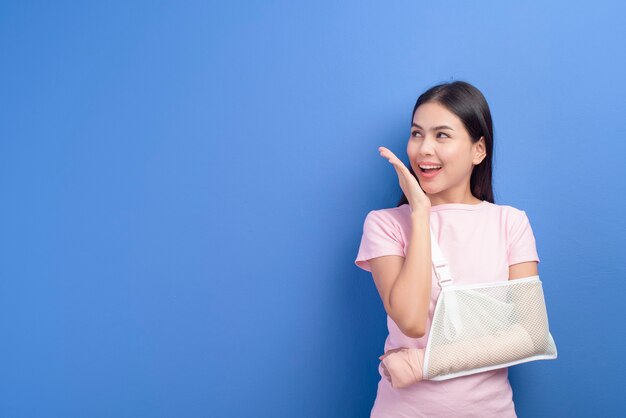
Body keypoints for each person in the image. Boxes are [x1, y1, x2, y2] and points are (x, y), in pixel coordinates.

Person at [354, 80, 541, 417]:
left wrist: (421, 363)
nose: (424, 149)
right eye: (416, 134)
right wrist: (421, 213)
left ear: (478, 150)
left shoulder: (510, 223)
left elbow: (530, 335)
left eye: (442, 135)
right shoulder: (385, 224)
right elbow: (411, 322)